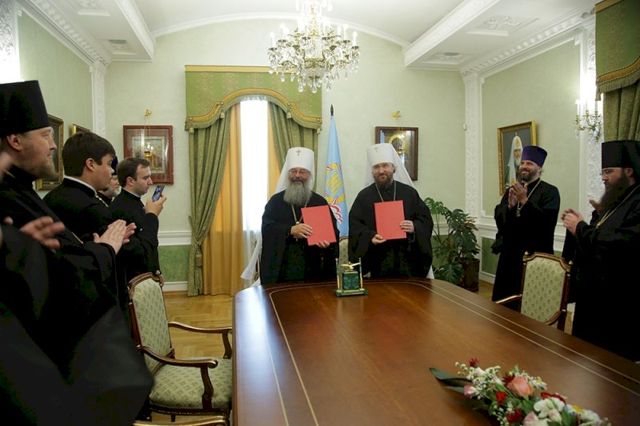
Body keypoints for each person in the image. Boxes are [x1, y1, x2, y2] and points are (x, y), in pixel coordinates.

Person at [561, 140, 640, 361]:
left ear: (628, 171)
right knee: (587, 357)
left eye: (608, 171)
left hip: (618, 298)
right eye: (602, 172)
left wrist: (580, 228)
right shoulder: (618, 199)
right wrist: (588, 221)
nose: (603, 177)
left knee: (611, 362)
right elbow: (601, 234)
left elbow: (620, 244)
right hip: (595, 294)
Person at [348, 143, 433, 278]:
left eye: (385, 165)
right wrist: (370, 237)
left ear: (394, 168)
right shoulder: (364, 197)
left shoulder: (409, 193)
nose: (381, 171)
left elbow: (426, 220)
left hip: (408, 264)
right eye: (376, 167)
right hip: (377, 264)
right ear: (372, 171)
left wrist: (414, 227)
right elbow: (355, 227)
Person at [259, 147, 339, 285]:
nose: (297, 175)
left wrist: (327, 243)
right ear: (288, 174)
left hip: (312, 269)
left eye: (302, 172)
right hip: (282, 269)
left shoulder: (319, 201)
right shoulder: (276, 201)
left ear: (309, 175)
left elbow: (333, 232)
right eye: (293, 171)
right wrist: (290, 230)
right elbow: (267, 228)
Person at [492, 145, 560, 303]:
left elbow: (546, 224)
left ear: (539, 168)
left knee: (530, 304)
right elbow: (501, 221)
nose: (524, 166)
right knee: (503, 304)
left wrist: (524, 200)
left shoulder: (550, 192)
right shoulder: (512, 190)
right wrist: (509, 207)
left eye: (529, 163)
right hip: (509, 256)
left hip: (534, 258)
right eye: (522, 163)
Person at [110, 157, 165, 281]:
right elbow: (141, 251)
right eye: (145, 178)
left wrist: (156, 272)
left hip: (146, 278)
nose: (150, 182)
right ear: (130, 181)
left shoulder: (135, 202)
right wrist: (152, 215)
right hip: (135, 281)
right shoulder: (120, 208)